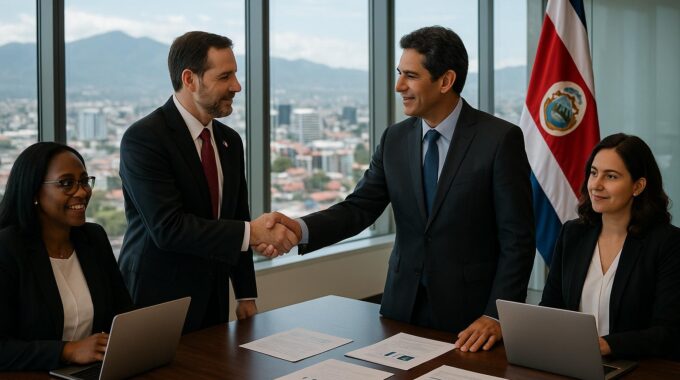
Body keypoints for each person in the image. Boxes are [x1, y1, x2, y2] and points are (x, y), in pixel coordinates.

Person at [259, 26, 535, 352]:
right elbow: (359, 207)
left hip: (472, 320)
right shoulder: (394, 139)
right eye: (398, 74)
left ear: (446, 81)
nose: (398, 86)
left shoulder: (499, 139)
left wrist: (497, 315)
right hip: (400, 308)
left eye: (411, 76)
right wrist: (300, 229)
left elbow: (518, 238)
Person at [118, 31, 298, 333]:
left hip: (213, 301)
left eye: (235, 75)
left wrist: (245, 293)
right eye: (225, 76)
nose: (237, 86)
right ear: (190, 79)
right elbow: (168, 229)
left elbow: (237, 218)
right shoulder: (144, 139)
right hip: (156, 299)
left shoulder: (230, 141)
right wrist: (252, 233)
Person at [540, 133, 680, 361]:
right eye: (594, 173)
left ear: (638, 186)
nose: (596, 184)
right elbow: (550, 306)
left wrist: (605, 345)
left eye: (611, 176)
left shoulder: (667, 243)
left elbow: (668, 333)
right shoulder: (573, 233)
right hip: (571, 361)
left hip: (636, 368)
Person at [0, 143, 133, 371]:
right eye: (66, 183)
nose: (82, 192)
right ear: (34, 192)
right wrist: (68, 351)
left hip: (95, 371)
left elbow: (123, 314)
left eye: (83, 181)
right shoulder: (7, 248)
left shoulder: (94, 238)